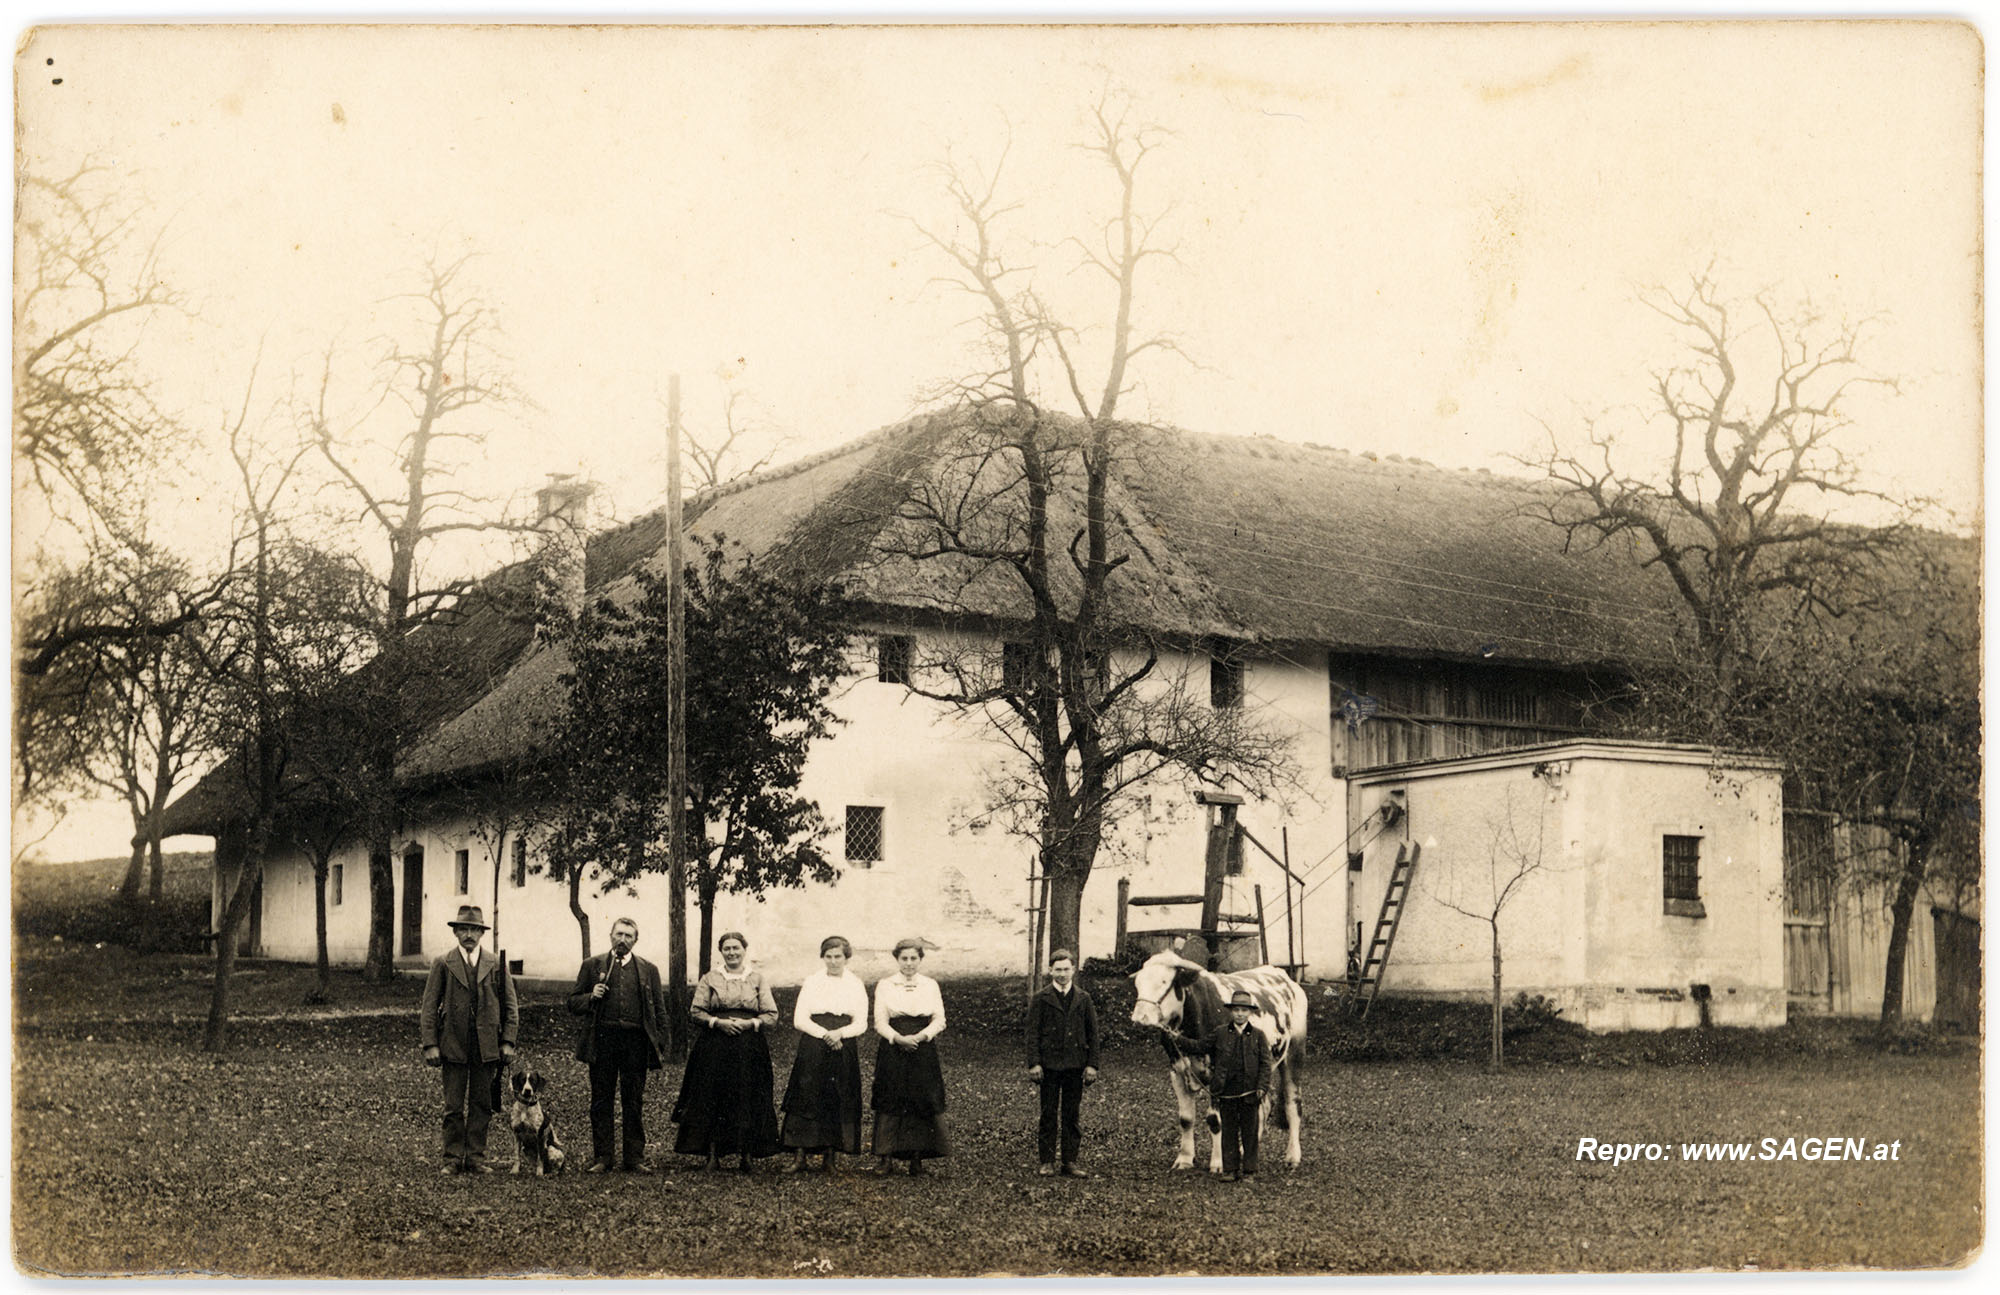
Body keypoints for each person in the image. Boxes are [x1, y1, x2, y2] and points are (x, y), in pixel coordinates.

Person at [419, 905, 519, 1175]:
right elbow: (429, 1006)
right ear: (455, 932)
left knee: (481, 1103)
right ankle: (452, 1158)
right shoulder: (443, 963)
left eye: (474, 929)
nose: (469, 935)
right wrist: (430, 1044)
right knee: (453, 1105)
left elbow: (510, 1005)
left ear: (482, 933)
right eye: (463, 929)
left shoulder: (495, 963)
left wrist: (508, 1041)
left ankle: (475, 1157)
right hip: (453, 1043)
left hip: (486, 1044)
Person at [672, 931, 782, 1172]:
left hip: (749, 1047)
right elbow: (696, 1011)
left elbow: (771, 1015)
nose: (732, 953)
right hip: (715, 1046)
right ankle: (712, 1154)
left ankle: (747, 1154)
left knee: (748, 1095)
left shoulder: (756, 979)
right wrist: (718, 1023)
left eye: (736, 948)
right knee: (712, 1095)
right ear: (721, 952)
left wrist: (749, 1024)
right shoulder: (710, 978)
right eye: (727, 949)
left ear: (744, 950)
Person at [567, 916, 669, 1174]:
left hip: (635, 1042)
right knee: (601, 1099)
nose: (623, 940)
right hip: (603, 1041)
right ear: (611, 935)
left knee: (633, 1100)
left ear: (636, 940)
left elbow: (659, 1010)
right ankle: (603, 1157)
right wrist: (592, 996)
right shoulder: (593, 965)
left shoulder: (648, 969)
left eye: (629, 936)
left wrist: (661, 1042)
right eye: (619, 934)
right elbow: (573, 1003)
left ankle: (634, 1158)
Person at [779, 935, 868, 1172]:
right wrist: (825, 1035)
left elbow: (861, 1023)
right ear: (822, 957)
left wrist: (840, 1033)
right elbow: (800, 1019)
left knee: (836, 1096)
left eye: (838, 956)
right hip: (814, 1044)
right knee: (805, 1095)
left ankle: (830, 1157)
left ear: (846, 958)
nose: (833, 961)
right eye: (828, 956)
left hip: (843, 1044)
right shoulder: (812, 981)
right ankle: (799, 1156)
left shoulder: (855, 983)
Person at [1166, 988, 1272, 1182]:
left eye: (1244, 1010)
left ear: (1250, 1012)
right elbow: (1199, 1046)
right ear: (1231, 1012)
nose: (1240, 1014)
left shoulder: (1258, 1036)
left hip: (1250, 1091)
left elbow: (1266, 1064)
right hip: (1226, 1091)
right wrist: (1177, 1039)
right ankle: (1230, 1170)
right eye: (1236, 1010)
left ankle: (1250, 1171)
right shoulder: (1220, 1033)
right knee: (1229, 1131)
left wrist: (1262, 1087)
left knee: (1249, 1132)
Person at [869, 937, 950, 1175]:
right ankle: (886, 1158)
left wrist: (922, 1036)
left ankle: (917, 1158)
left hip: (922, 1048)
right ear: (897, 959)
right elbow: (880, 1022)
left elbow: (939, 1019)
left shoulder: (930, 984)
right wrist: (898, 1038)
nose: (909, 963)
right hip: (894, 1047)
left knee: (920, 1097)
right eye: (904, 958)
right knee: (891, 1097)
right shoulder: (885, 984)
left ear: (920, 960)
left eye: (914, 958)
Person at [1026, 947, 1100, 1178]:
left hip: (1075, 1065)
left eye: (1066, 969)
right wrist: (1034, 1063)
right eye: (1057, 969)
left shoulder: (1084, 998)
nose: (1062, 974)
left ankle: (1070, 1161)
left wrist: (1092, 1065)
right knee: (1048, 1114)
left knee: (1072, 1114)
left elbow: (1093, 1034)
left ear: (1074, 970)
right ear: (1050, 971)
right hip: (1048, 1066)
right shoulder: (1041, 998)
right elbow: (1032, 1034)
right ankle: (1047, 1161)